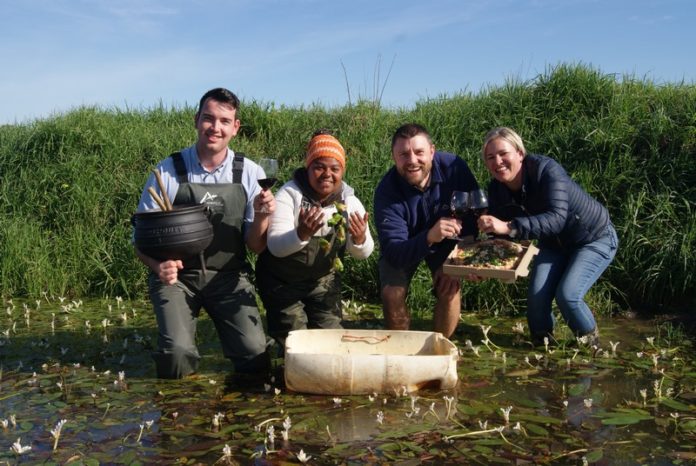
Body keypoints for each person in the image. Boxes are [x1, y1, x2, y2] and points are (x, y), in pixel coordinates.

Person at [134, 87, 274, 379]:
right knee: (177, 357)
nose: (215, 127)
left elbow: (256, 246)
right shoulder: (168, 171)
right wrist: (158, 265)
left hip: (229, 277)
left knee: (255, 355)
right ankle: (177, 413)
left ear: (235, 128)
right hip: (178, 279)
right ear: (196, 120)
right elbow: (140, 240)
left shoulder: (249, 172)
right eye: (209, 118)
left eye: (224, 121)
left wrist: (262, 215)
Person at [476, 127, 618, 345]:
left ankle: (593, 349)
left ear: (520, 154)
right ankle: (544, 354)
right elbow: (504, 240)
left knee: (568, 296)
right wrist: (483, 266)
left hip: (593, 237)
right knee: (536, 301)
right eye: (491, 157)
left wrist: (508, 226)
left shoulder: (546, 171)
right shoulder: (497, 189)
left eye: (504, 154)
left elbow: (556, 218)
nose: (498, 161)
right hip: (553, 244)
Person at [256, 130, 374, 349]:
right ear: (308, 168)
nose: (327, 174)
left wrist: (358, 239)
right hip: (283, 283)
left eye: (334, 168)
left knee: (333, 343)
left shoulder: (350, 202)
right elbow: (275, 246)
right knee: (295, 345)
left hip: (323, 282)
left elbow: (364, 253)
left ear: (342, 171)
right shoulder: (290, 194)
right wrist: (301, 234)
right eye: (319, 167)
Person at [374, 123, 480, 338]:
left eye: (419, 152)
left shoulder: (455, 168)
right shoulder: (386, 192)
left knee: (449, 287)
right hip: (407, 244)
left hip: (448, 241)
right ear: (394, 157)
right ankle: (401, 346)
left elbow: (473, 214)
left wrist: (458, 260)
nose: (412, 161)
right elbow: (394, 252)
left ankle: (440, 346)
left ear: (432, 151)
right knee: (392, 293)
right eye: (404, 154)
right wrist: (429, 237)